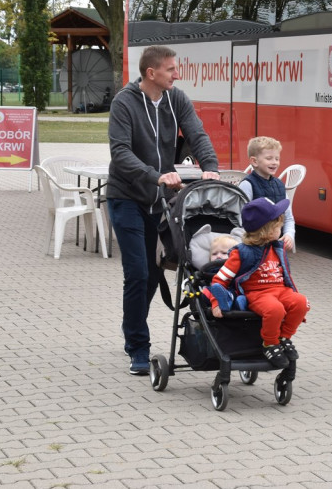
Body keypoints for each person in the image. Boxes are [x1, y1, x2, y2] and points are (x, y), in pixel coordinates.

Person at [107, 44, 221, 376]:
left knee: (154, 275)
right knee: (138, 273)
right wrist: (156, 176)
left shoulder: (176, 99)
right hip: (126, 196)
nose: (177, 74)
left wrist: (210, 167)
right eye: (171, 69)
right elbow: (121, 152)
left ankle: (132, 330)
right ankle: (138, 348)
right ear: (151, 73)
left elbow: (197, 133)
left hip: (159, 202)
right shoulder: (124, 103)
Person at [206, 197, 309, 368]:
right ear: (267, 231)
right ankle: (269, 343)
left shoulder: (277, 248)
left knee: (301, 302)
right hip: (257, 293)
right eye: (278, 227)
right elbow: (220, 279)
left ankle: (283, 338)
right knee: (274, 310)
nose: (281, 229)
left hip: (281, 290)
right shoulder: (241, 253)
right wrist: (215, 302)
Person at [238, 136, 295, 252]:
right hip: (254, 247)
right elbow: (239, 219)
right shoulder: (247, 185)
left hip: (274, 246)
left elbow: (288, 217)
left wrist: (289, 234)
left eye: (277, 159)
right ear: (254, 161)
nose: (274, 162)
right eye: (269, 158)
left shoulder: (280, 185)